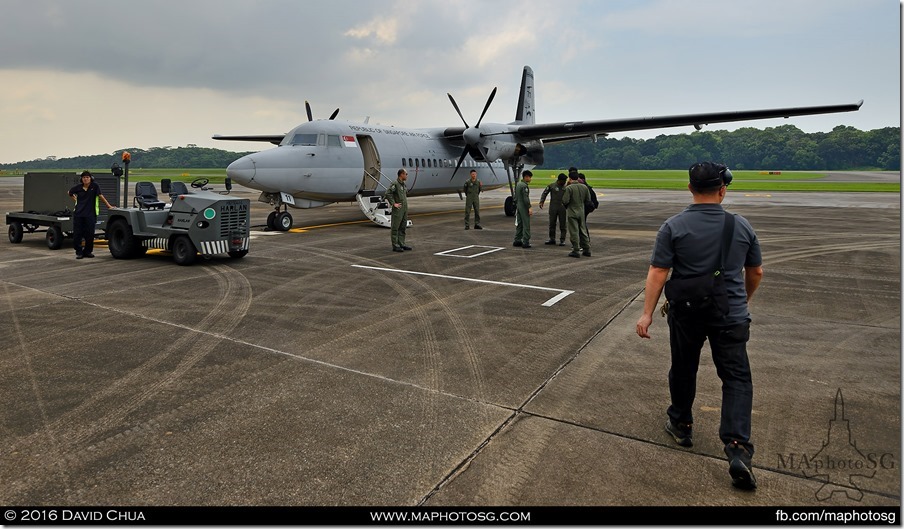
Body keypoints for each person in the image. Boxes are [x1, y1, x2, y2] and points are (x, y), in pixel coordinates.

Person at [635, 161, 763, 491]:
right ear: (723, 189)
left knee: (683, 368)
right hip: (730, 314)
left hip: (687, 312)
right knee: (736, 378)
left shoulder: (673, 226)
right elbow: (756, 272)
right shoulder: (742, 226)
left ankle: (681, 423)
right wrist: (743, 300)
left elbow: (658, 273)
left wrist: (647, 314)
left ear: (690, 189)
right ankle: (737, 448)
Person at [68, 170, 114, 259]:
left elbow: (101, 196)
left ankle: (88, 251)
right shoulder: (78, 187)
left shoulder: (95, 186)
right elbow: (69, 193)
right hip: (79, 214)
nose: (85, 179)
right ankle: (79, 252)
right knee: (77, 234)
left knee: (89, 234)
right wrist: (76, 201)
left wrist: (109, 206)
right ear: (81, 179)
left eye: (87, 177)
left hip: (90, 214)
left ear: (91, 178)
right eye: (84, 177)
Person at [560, 171, 591, 258]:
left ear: (570, 178)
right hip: (581, 211)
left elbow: (565, 201)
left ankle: (576, 250)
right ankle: (587, 249)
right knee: (583, 230)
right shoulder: (584, 187)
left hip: (572, 211)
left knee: (574, 231)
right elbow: (588, 199)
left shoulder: (569, 188)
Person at [383, 168, 411, 252]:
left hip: (404, 209)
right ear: (401, 174)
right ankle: (395, 245)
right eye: (406, 174)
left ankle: (402, 243)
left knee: (403, 227)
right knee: (395, 227)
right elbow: (388, 193)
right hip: (398, 209)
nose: (407, 176)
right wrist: (393, 203)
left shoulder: (403, 184)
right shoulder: (395, 184)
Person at [539, 173, 568, 246]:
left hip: (563, 208)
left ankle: (562, 240)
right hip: (553, 207)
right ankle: (552, 239)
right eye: (563, 181)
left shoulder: (567, 187)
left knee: (563, 224)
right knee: (552, 224)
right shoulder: (552, 186)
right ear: (559, 180)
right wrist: (542, 201)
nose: (564, 182)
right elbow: (545, 193)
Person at [512, 170, 533, 248]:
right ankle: (526, 241)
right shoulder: (524, 186)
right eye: (530, 177)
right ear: (526, 177)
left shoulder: (518, 184)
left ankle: (517, 240)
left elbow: (516, 196)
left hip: (519, 206)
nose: (530, 179)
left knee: (519, 224)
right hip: (524, 207)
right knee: (526, 224)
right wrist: (529, 207)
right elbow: (525, 198)